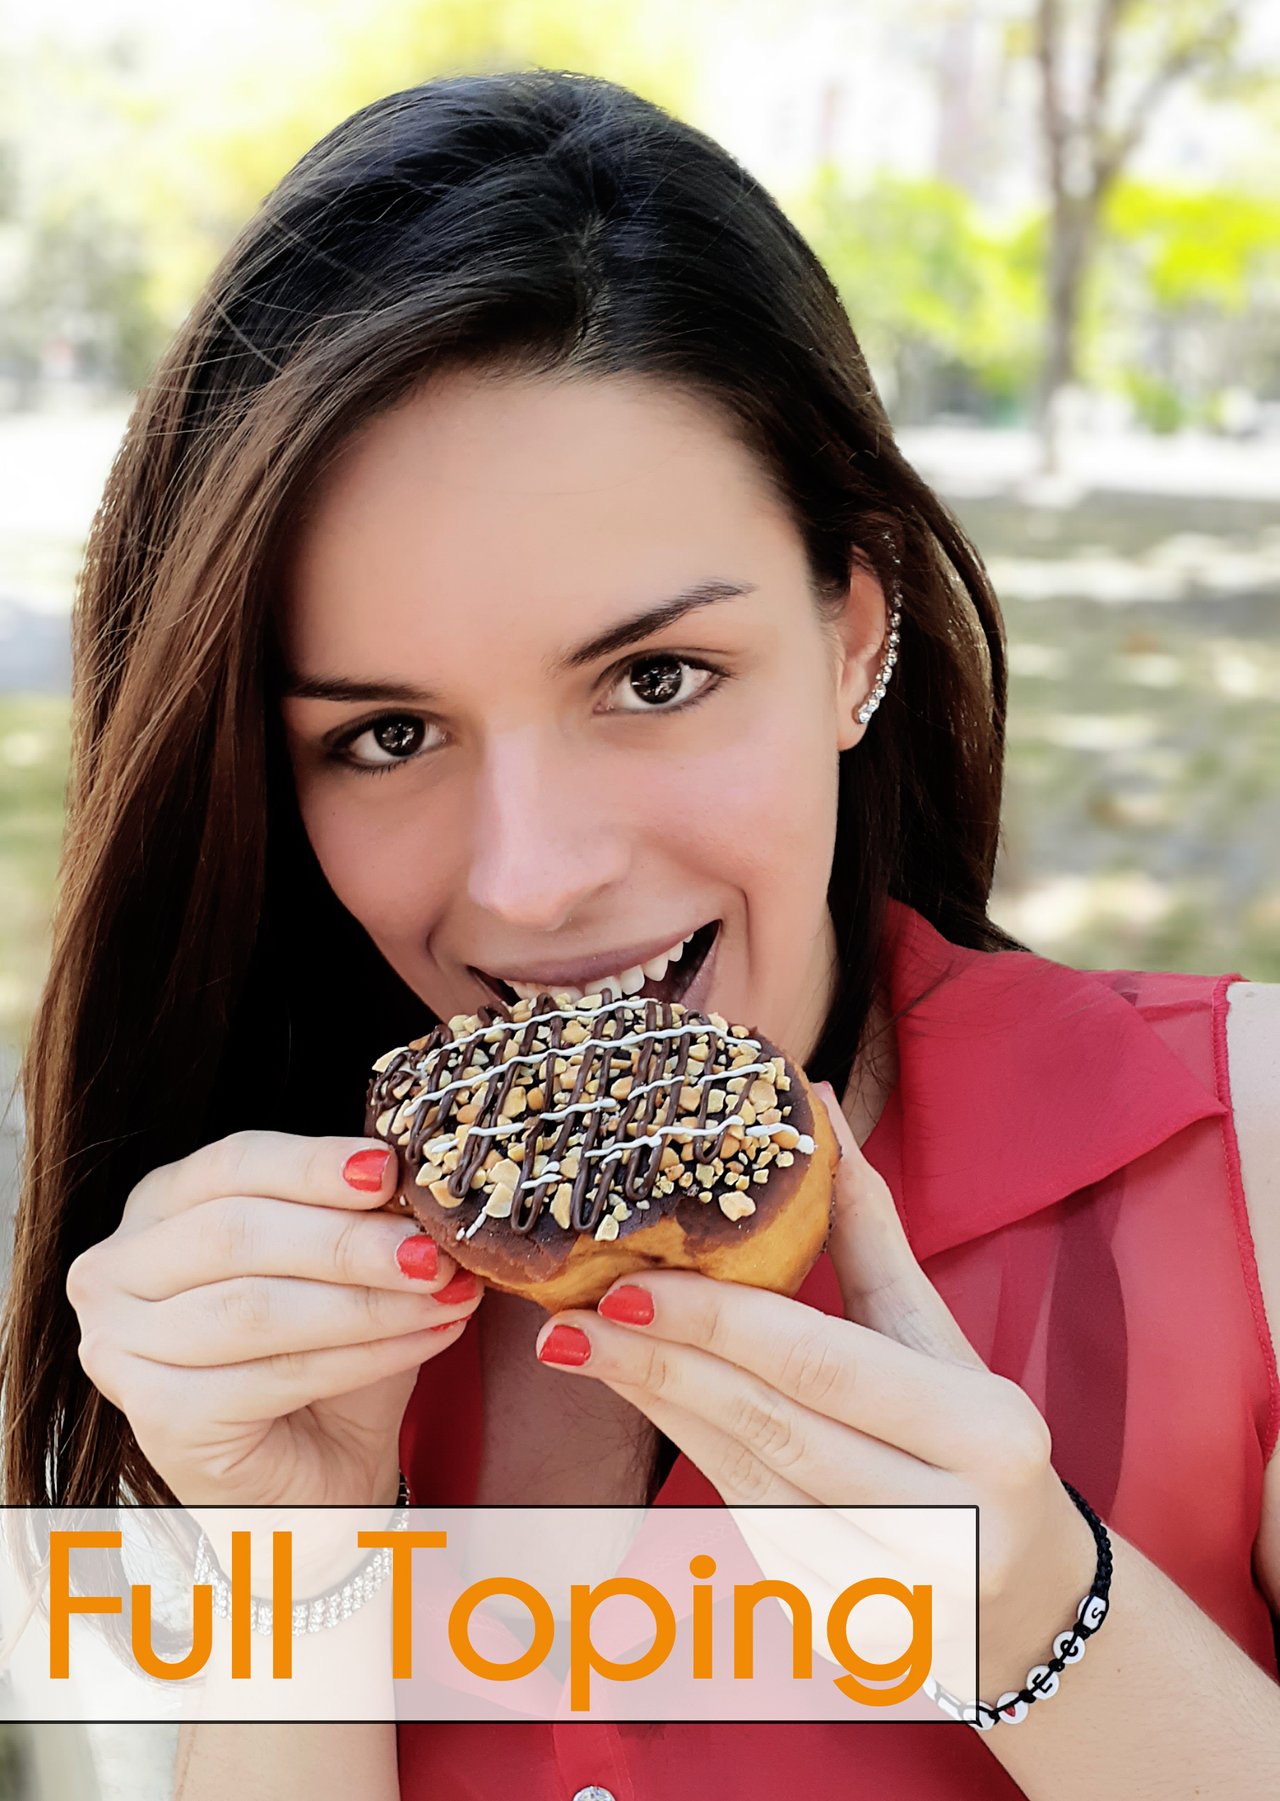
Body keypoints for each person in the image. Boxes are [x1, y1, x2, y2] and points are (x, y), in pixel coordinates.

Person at [1, 68, 1276, 1801]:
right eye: (386, 733)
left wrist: (1044, 1620)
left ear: (850, 632)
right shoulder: (253, 1319)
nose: (533, 881)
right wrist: (298, 1571)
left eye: (656, 678)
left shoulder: (1245, 1163)